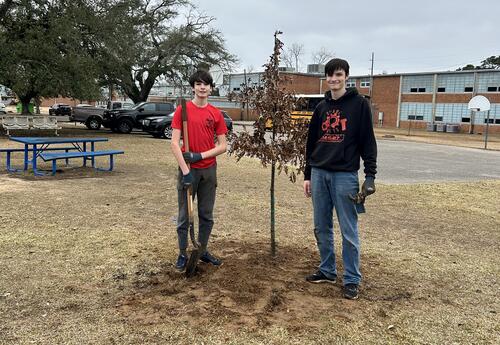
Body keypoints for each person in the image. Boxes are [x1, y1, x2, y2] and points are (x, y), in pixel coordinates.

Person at [303, 58, 377, 300]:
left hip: (345, 176)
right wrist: (307, 174)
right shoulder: (321, 108)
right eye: (330, 75)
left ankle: (352, 279)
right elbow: (310, 142)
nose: (334, 79)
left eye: (338, 74)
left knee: (348, 230)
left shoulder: (359, 105)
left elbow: (368, 142)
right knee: (321, 227)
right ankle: (327, 270)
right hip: (319, 173)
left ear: (347, 76)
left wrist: (370, 176)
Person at [170, 70, 228, 271]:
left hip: (208, 170)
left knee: (206, 214)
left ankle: (202, 251)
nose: (202, 87)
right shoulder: (182, 110)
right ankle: (182, 253)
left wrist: (200, 155)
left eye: (206, 84)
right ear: (193, 87)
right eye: (198, 84)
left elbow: (223, 146)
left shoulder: (216, 113)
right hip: (189, 171)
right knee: (184, 215)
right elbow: (175, 144)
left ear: (211, 88)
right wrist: (186, 171)